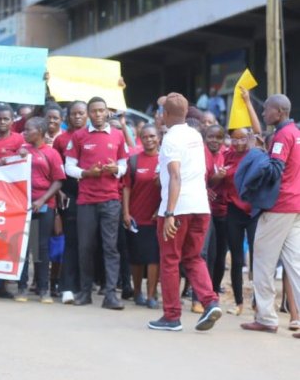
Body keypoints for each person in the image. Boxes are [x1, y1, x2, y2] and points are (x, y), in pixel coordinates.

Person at [149, 93, 222, 331]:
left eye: (162, 112)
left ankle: (172, 316)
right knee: (193, 257)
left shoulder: (170, 139)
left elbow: (175, 175)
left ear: (167, 115)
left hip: (177, 208)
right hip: (200, 206)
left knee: (170, 260)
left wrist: (169, 213)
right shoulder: (194, 134)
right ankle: (210, 302)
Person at [242, 94, 300, 336]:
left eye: (266, 110)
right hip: (296, 206)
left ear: (279, 112)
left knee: (263, 262)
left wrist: (256, 155)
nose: (264, 114)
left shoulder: (283, 135)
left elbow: (275, 168)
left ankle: (266, 317)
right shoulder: (296, 132)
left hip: (279, 206)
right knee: (296, 265)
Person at [64, 97, 128, 310]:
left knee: (110, 248)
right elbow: (69, 167)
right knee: (85, 247)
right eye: (94, 111)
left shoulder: (118, 135)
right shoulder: (79, 136)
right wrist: (86, 173)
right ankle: (85, 292)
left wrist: (116, 170)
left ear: (107, 112)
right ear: (89, 113)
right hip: (86, 201)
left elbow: (124, 165)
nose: (98, 114)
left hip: (110, 200)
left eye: (101, 111)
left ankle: (110, 295)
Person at [17, 117, 65, 303]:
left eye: (28, 129)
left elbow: (58, 180)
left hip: (44, 206)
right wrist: (11, 159)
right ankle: (22, 287)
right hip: (23, 206)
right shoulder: (23, 151)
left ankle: (43, 289)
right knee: (24, 246)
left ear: (40, 131)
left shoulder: (51, 154)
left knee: (41, 248)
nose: (24, 133)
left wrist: (42, 199)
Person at [216, 127, 257, 315]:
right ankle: (239, 302)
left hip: (254, 212)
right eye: (235, 139)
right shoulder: (227, 157)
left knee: (257, 259)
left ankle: (258, 302)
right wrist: (220, 176)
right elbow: (217, 182)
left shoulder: (256, 155)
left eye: (243, 138)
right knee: (236, 258)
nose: (239, 143)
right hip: (233, 210)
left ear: (249, 138)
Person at [122, 124, 161, 309]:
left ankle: (151, 294)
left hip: (156, 217)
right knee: (136, 258)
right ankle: (137, 292)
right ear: (140, 139)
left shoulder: (165, 161)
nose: (149, 140)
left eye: (152, 136)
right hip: (136, 217)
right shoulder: (134, 160)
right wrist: (126, 212)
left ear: (158, 138)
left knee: (154, 258)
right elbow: (127, 187)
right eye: (145, 137)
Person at [54, 101, 87, 304]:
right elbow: (56, 169)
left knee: (89, 244)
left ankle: (85, 286)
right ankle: (67, 286)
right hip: (70, 196)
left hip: (94, 195)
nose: (77, 117)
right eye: (73, 114)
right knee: (72, 242)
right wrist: (59, 193)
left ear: (87, 116)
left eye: (81, 113)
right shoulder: (61, 139)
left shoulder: (94, 136)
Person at [204, 124, 228, 299]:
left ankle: (215, 288)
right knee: (208, 253)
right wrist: (212, 181)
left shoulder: (226, 155)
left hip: (224, 210)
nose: (214, 140)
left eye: (218, 137)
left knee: (221, 254)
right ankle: (206, 292)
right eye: (211, 136)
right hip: (206, 211)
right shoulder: (200, 154)